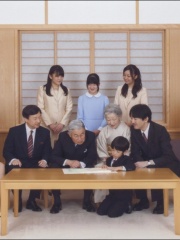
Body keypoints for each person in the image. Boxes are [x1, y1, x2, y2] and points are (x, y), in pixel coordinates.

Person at [130, 104, 180, 214]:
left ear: (146, 119)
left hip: (166, 162)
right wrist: (139, 163)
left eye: (135, 118)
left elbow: (168, 155)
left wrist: (148, 163)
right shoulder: (134, 130)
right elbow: (134, 151)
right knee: (136, 168)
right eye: (131, 118)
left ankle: (161, 202)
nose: (132, 121)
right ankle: (143, 201)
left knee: (156, 170)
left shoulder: (160, 130)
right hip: (146, 161)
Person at [3, 105, 52, 212]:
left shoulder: (45, 132)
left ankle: (31, 201)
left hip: (36, 162)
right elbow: (6, 151)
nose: (38, 121)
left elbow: (48, 151)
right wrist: (13, 159)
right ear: (26, 119)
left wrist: (44, 160)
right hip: (19, 162)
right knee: (12, 168)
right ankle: (18, 199)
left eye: (40, 117)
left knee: (45, 170)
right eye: (35, 118)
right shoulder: (14, 131)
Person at [49, 119, 98, 214]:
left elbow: (92, 156)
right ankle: (57, 202)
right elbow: (54, 156)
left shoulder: (90, 136)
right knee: (54, 167)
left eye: (82, 134)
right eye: (76, 135)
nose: (80, 138)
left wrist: (80, 163)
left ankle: (87, 201)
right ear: (69, 134)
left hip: (82, 164)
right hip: (67, 165)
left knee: (90, 166)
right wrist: (68, 162)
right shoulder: (63, 136)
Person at [95, 103, 130, 203]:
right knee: (100, 170)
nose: (111, 122)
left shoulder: (126, 129)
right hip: (107, 159)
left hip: (122, 160)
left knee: (122, 170)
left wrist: (118, 160)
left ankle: (122, 200)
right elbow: (101, 148)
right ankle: (101, 200)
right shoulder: (104, 131)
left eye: (114, 119)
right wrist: (107, 160)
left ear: (119, 117)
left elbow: (127, 148)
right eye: (108, 120)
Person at [97, 136, 135, 218]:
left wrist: (116, 168)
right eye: (113, 150)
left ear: (124, 152)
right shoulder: (109, 160)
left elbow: (131, 167)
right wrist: (104, 167)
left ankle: (127, 204)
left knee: (112, 214)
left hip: (123, 195)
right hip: (112, 194)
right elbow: (107, 169)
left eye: (117, 151)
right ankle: (114, 204)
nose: (114, 153)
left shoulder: (127, 159)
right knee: (100, 211)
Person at [37, 65, 73, 147]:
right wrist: (50, 124)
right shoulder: (42, 89)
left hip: (62, 127)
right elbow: (40, 108)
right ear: (50, 76)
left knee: (61, 148)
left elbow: (69, 108)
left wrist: (62, 124)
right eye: (57, 76)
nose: (59, 78)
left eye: (61, 76)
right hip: (46, 126)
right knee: (47, 148)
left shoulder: (66, 90)